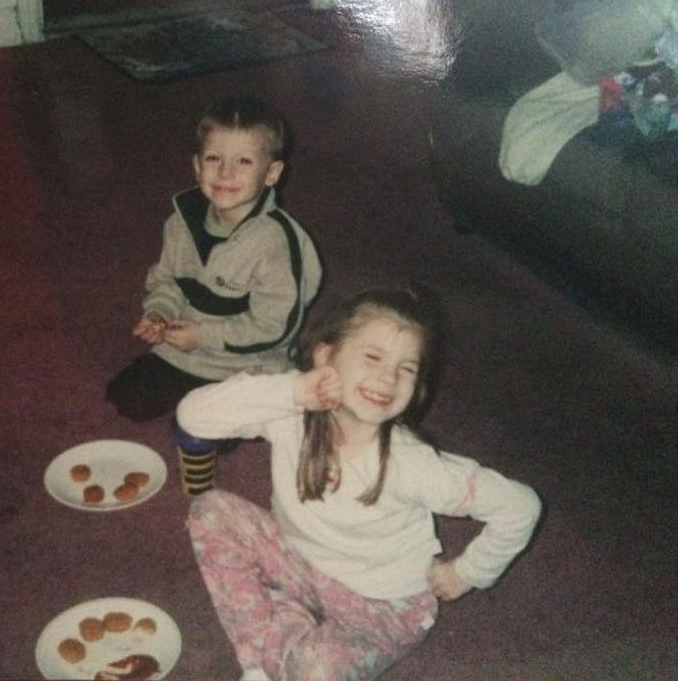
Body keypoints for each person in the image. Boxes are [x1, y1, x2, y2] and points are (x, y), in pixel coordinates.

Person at [178, 285, 542, 681]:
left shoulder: (413, 464)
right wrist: (293, 390)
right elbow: (193, 417)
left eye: (407, 369)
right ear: (325, 356)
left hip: (381, 603)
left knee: (317, 670)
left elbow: (520, 506)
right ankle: (268, 653)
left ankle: (278, 640)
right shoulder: (289, 411)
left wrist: (468, 573)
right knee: (210, 509)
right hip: (298, 559)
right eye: (372, 357)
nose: (388, 378)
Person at [106, 96, 322, 494]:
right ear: (196, 165)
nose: (225, 172)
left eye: (244, 161)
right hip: (183, 349)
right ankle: (207, 400)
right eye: (213, 159)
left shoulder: (276, 242)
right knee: (125, 398)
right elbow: (167, 279)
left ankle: (249, 403)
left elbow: (275, 325)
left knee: (208, 432)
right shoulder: (180, 223)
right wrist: (159, 313)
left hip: (247, 359)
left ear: (272, 173)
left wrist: (205, 335)